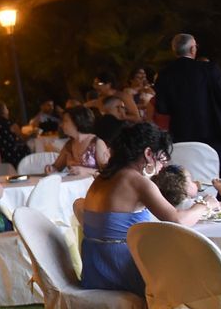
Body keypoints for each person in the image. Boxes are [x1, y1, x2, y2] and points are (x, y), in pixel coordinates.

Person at [78, 123, 206, 295]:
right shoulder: (136, 181)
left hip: (95, 271)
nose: (162, 166)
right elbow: (178, 221)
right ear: (148, 153)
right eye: (161, 159)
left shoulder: (102, 178)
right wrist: (204, 206)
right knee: (191, 274)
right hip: (120, 272)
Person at [153, 33, 221, 177]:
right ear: (193, 49)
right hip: (214, 134)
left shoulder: (165, 74)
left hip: (182, 136)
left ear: (175, 51)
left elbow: (162, 108)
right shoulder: (209, 69)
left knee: (186, 177)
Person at [53, 106, 109, 174]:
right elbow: (57, 167)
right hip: (74, 184)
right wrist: (51, 168)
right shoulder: (69, 145)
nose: (61, 125)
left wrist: (87, 171)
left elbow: (108, 172)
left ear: (77, 122)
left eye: (65, 121)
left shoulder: (96, 143)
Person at [0, 103, 30, 169]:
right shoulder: (10, 123)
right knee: (28, 148)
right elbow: (23, 138)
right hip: (13, 154)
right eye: (6, 108)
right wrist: (32, 135)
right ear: (4, 111)